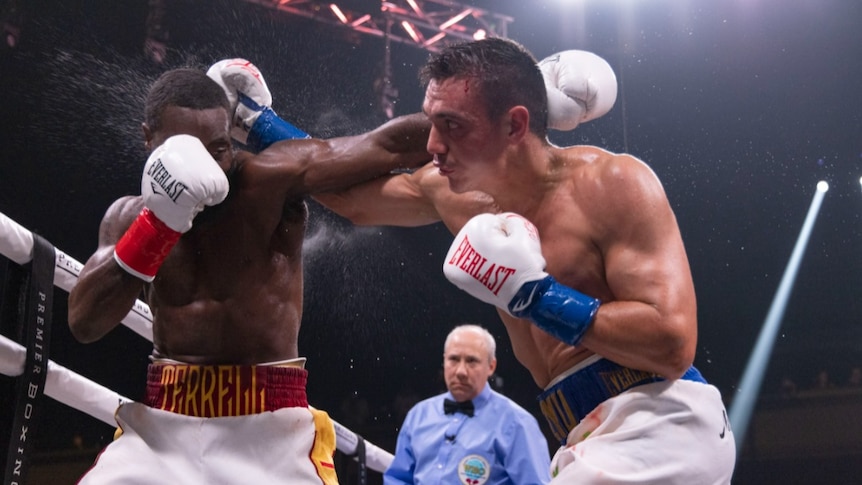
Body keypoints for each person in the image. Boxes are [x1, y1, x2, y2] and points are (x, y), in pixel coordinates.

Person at [313, 38, 737, 483]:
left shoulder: (611, 182)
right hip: (580, 430)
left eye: (451, 125)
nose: (433, 145)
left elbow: (672, 344)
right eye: (431, 124)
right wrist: (257, 127)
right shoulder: (452, 194)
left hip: (661, 422)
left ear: (516, 125)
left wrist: (536, 296)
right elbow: (351, 201)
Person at [66, 59, 432, 484]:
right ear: (149, 139)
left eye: (218, 148)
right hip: (163, 426)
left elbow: (389, 146)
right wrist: (158, 225)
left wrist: (481, 120)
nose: (205, 164)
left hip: (272, 429)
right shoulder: (130, 217)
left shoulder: (269, 180)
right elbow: (84, 323)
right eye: (188, 150)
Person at [384, 324, 550, 485]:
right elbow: (397, 479)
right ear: (444, 361)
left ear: (491, 366)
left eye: (472, 361)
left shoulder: (517, 423)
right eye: (454, 359)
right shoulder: (418, 415)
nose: (461, 371)